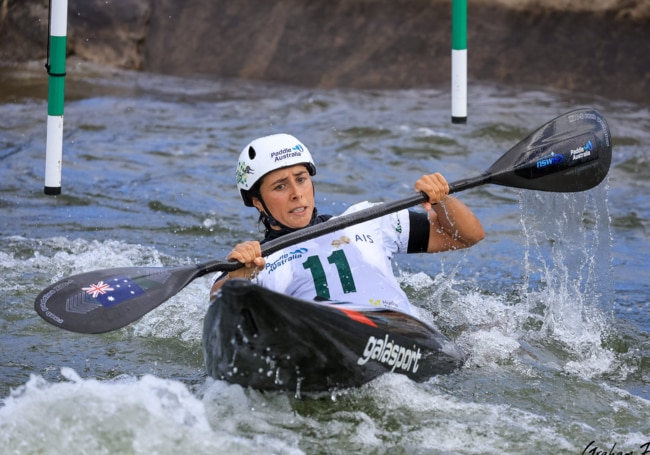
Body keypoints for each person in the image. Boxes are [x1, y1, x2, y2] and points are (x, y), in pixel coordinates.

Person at [210, 133, 485, 316]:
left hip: (401, 329)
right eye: (280, 186)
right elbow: (216, 306)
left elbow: (468, 236)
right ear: (257, 202)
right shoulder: (255, 261)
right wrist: (237, 277)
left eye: (301, 178)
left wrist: (442, 200)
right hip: (326, 331)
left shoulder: (365, 220)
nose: (296, 193)